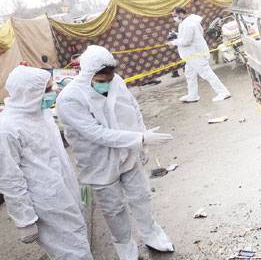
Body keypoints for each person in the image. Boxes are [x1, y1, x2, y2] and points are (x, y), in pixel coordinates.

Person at [56, 45, 174, 260]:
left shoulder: (116, 81)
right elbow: (96, 133)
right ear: (87, 75)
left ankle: (152, 235)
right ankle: (126, 249)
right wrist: (139, 139)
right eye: (101, 81)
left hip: (128, 153)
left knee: (142, 196)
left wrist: (142, 137)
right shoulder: (69, 99)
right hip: (99, 162)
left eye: (109, 79)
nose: (107, 84)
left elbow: (132, 107)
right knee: (114, 210)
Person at [0, 66, 93, 260]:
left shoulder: (39, 112)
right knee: (74, 253)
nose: (52, 93)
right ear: (29, 93)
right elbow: (9, 178)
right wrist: (25, 220)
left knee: (77, 243)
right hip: (45, 204)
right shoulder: (4, 129)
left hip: (64, 193)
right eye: (48, 90)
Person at [168, 7, 231, 103]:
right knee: (190, 74)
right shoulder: (190, 21)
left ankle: (223, 92)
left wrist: (173, 42)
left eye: (175, 16)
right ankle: (192, 96)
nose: (174, 18)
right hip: (192, 54)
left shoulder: (189, 24)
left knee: (207, 74)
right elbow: (191, 35)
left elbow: (186, 41)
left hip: (195, 54)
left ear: (181, 14)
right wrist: (176, 35)